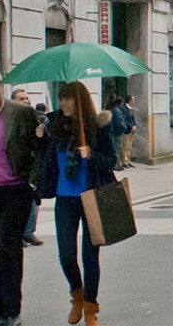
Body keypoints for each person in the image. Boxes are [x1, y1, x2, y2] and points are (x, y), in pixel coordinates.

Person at [38, 81, 116, 325]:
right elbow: (45, 160)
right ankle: (77, 295)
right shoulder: (55, 128)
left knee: (90, 256)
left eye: (67, 99)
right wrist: (40, 138)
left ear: (79, 101)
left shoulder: (98, 127)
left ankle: (91, 308)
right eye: (60, 99)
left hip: (91, 197)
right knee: (67, 256)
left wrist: (90, 154)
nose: (63, 104)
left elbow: (111, 160)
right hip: (65, 199)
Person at [0, 86, 43, 326]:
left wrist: (33, 181)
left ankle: (12, 310)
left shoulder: (19, 112)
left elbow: (39, 147)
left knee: (7, 246)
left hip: (16, 188)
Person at [9, 89, 44, 249]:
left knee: (33, 202)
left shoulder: (34, 117)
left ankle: (28, 232)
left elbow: (40, 145)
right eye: (21, 98)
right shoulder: (9, 120)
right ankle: (18, 234)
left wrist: (39, 137)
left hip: (31, 168)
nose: (26, 101)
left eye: (27, 98)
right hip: (14, 170)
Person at [105, 97, 126, 173]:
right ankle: (116, 165)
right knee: (117, 148)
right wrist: (124, 128)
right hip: (117, 133)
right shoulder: (117, 110)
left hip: (115, 132)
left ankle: (117, 164)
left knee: (117, 148)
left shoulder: (113, 109)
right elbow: (119, 122)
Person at [119, 95, 136, 169]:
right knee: (125, 146)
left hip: (131, 130)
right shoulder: (124, 109)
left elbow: (133, 119)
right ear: (130, 100)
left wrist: (135, 125)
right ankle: (124, 161)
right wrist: (131, 126)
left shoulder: (130, 109)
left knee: (129, 146)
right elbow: (124, 120)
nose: (134, 101)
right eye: (133, 100)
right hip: (126, 130)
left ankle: (128, 160)